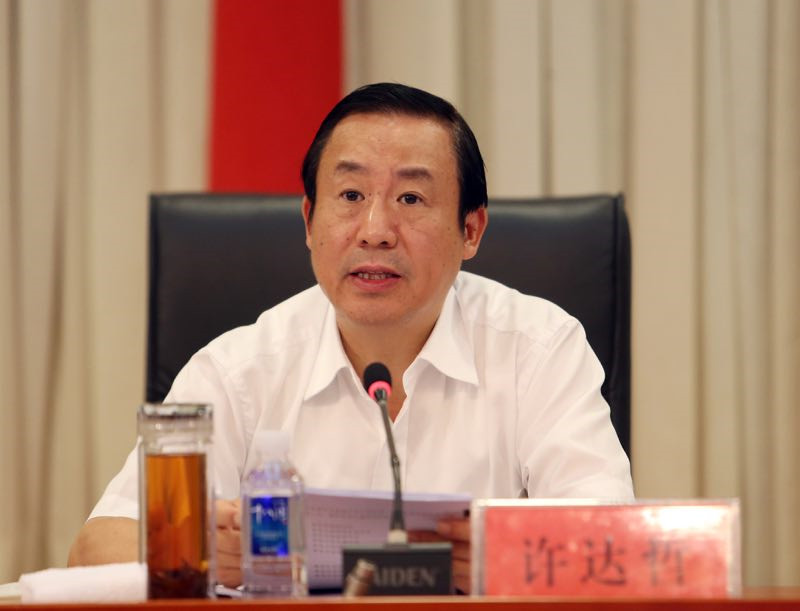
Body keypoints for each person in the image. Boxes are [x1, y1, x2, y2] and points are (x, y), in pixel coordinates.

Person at [68, 83, 633, 593]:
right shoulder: (237, 370)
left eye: (410, 199)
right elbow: (93, 552)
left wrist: (506, 556)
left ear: (470, 229)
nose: (375, 231)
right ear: (309, 221)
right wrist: (197, 554)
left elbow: (616, 545)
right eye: (350, 196)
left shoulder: (540, 349)